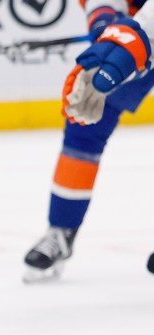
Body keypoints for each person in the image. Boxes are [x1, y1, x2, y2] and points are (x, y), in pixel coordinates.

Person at [23, 0, 154, 282]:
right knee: (87, 114)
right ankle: (61, 228)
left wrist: (132, 34)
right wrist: (106, 23)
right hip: (141, 30)